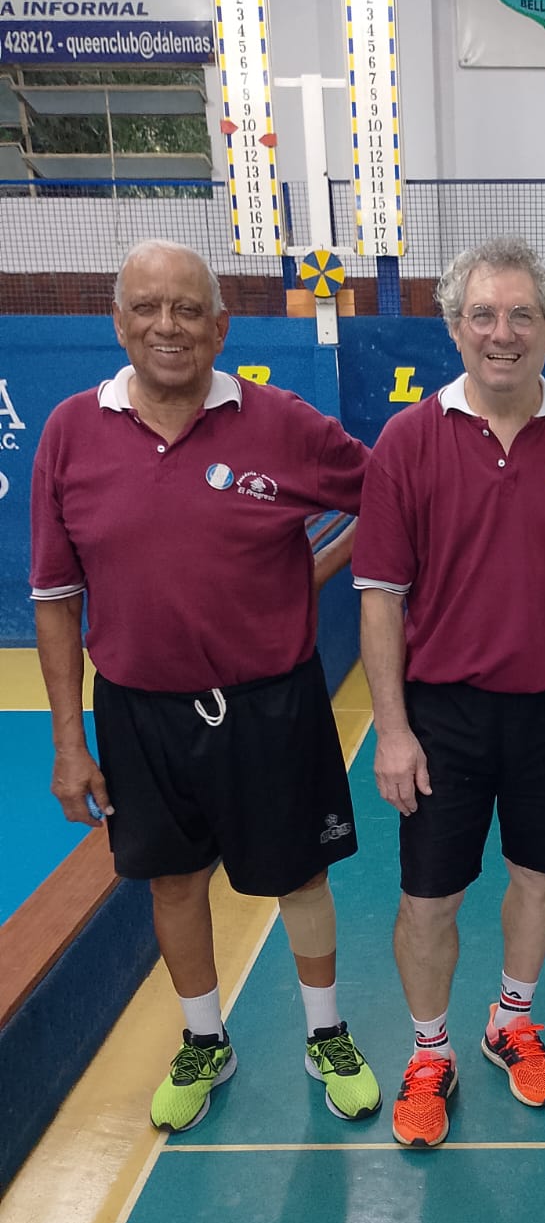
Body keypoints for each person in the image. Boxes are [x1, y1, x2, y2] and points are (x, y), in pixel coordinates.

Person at [30, 239, 381, 1133]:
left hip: (273, 704)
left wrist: (307, 573)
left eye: (188, 309)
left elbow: (387, 496)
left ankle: (326, 1032)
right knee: (173, 884)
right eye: (147, 307)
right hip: (139, 714)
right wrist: (70, 742)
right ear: (118, 323)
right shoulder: (70, 431)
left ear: (221, 328)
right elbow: (56, 597)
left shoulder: (282, 423)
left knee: (301, 877)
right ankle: (204, 1040)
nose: (168, 326)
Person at [354, 236, 545, 1149]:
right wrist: (391, 730)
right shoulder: (408, 441)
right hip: (442, 716)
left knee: (537, 876)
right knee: (428, 898)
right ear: (454, 327)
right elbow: (380, 597)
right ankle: (428, 1051)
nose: (502, 332)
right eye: (483, 314)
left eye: (523, 315)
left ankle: (511, 1021)